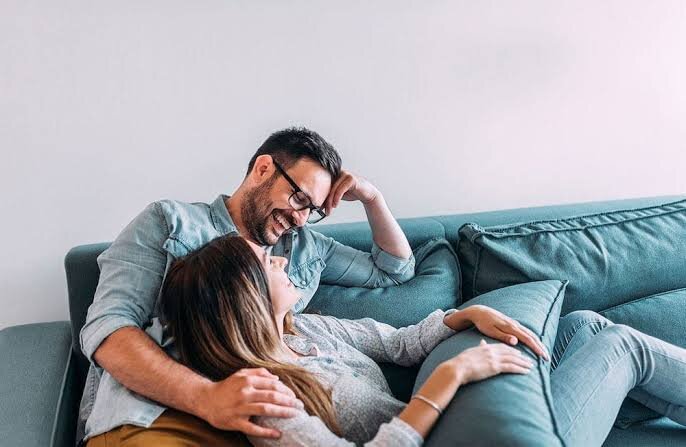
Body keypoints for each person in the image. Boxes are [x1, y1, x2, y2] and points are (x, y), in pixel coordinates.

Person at [161, 234, 686, 446]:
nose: (279, 259)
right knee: (623, 347)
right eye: (264, 261)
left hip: (460, 416)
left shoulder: (306, 329)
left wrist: (465, 316)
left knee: (585, 326)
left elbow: (398, 343)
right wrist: (449, 378)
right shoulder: (262, 398)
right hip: (452, 437)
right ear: (244, 297)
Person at [80, 127, 417, 446]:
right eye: (299, 198)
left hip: (265, 423)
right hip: (159, 414)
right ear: (263, 169)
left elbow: (394, 270)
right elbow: (107, 327)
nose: (300, 219)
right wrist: (205, 397)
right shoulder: (171, 223)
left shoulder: (305, 248)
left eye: (313, 210)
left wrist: (372, 198)